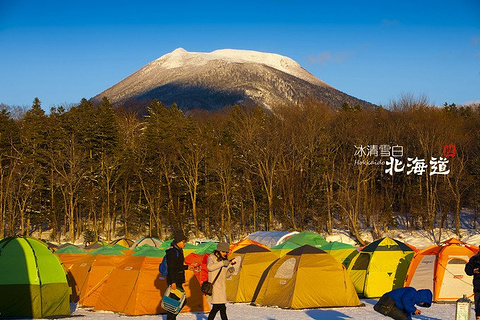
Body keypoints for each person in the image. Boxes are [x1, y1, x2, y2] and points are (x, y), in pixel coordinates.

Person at [206, 242, 235, 320]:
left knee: (217, 308)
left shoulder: (224, 259)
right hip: (215, 286)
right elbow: (210, 267)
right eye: (223, 252)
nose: (225, 253)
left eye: (226, 252)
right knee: (221, 308)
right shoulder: (212, 257)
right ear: (218, 250)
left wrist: (230, 271)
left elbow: (224, 275)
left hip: (222, 286)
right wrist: (222, 263)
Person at [165, 230, 189, 320]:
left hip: (177, 280)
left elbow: (178, 266)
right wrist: (173, 282)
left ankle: (171, 318)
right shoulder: (172, 252)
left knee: (174, 302)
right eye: (183, 242)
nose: (185, 244)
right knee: (181, 301)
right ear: (178, 241)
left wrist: (187, 267)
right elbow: (171, 268)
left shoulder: (178, 250)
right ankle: (171, 318)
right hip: (174, 281)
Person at [465, 251, 480, 320]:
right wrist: (474, 271)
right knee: (478, 305)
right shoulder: (474, 259)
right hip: (478, 286)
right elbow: (468, 270)